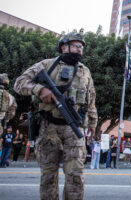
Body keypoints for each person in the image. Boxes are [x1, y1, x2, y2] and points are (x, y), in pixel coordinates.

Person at [13, 31, 98, 199]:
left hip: (74, 130)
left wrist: (93, 123)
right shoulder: (46, 65)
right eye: (75, 46)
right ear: (63, 47)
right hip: (48, 129)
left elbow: (91, 99)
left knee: (76, 176)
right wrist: (39, 89)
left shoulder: (85, 71)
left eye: (81, 47)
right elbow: (19, 83)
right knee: (48, 177)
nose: (79, 49)